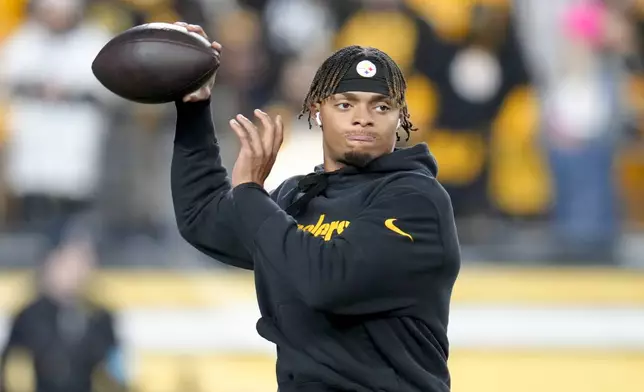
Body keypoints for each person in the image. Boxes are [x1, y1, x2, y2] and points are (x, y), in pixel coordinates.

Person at [171, 22, 460, 392]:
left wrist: (249, 192)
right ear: (317, 111)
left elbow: (328, 282)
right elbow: (201, 218)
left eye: (381, 106)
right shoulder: (297, 198)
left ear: (399, 118)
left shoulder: (417, 200)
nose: (363, 117)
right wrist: (194, 108)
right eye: (345, 104)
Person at [0, 226, 127, 392]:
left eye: (85, 260)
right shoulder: (30, 317)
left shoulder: (99, 317)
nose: (78, 269)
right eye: (70, 260)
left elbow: (117, 372)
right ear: (51, 262)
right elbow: (11, 370)